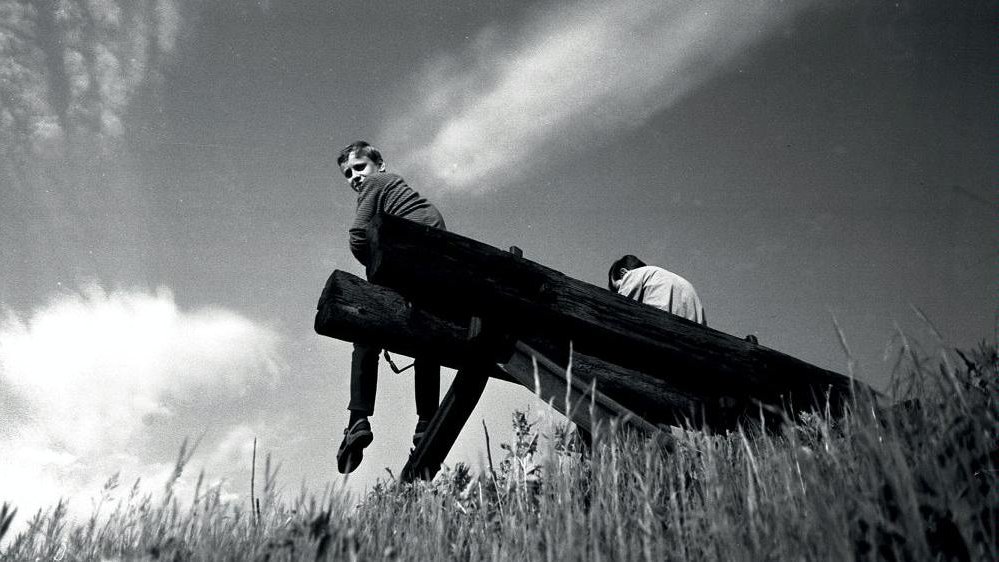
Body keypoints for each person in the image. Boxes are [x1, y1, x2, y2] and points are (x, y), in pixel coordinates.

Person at [334, 140, 446, 474]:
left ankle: (357, 419)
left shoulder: (378, 183)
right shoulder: (406, 196)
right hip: (435, 279)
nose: (355, 177)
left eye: (360, 167)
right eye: (348, 174)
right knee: (426, 341)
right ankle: (427, 421)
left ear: (379, 165)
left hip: (404, 262)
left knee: (365, 329)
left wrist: (376, 271)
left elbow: (357, 237)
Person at [607, 255, 707, 325]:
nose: (619, 292)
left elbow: (620, 310)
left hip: (658, 331)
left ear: (623, 273)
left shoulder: (633, 274)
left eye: (618, 288)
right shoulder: (686, 284)